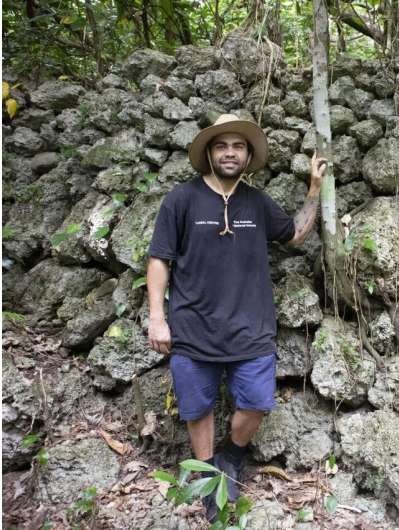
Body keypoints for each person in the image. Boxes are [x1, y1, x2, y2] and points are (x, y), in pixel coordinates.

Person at [146, 114, 326, 521]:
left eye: (238, 146)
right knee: (196, 409)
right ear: (209, 153)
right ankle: (210, 480)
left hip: (252, 328)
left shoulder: (256, 202)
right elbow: (159, 259)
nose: (230, 152)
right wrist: (158, 317)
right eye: (222, 145)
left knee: (258, 402)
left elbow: (294, 234)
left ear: (247, 156)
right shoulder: (182, 199)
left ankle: (231, 456)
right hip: (193, 327)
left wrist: (314, 191)